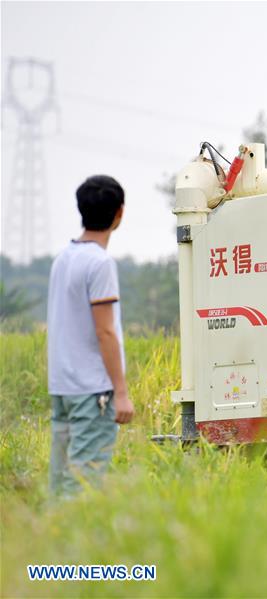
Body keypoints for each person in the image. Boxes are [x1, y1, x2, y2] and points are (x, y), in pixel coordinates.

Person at [47, 175, 134, 497]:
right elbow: (105, 330)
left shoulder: (63, 259)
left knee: (60, 481)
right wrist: (121, 392)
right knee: (83, 483)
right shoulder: (100, 263)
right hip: (92, 391)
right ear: (119, 214)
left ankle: (52, 539)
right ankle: (74, 544)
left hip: (62, 388)